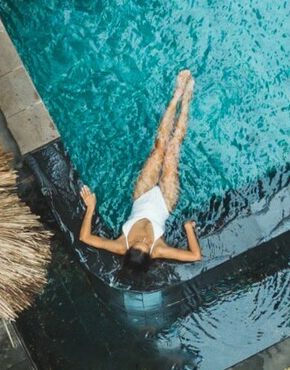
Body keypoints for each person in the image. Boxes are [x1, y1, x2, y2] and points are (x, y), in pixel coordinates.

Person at [78, 70, 203, 267]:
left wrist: (91, 207)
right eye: (147, 245)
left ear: (128, 249)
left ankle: (177, 94)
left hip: (142, 195)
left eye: (139, 243)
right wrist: (188, 229)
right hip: (165, 203)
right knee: (172, 151)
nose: (144, 241)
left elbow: (85, 237)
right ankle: (187, 99)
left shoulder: (121, 245)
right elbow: (195, 256)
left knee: (159, 149)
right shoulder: (159, 250)